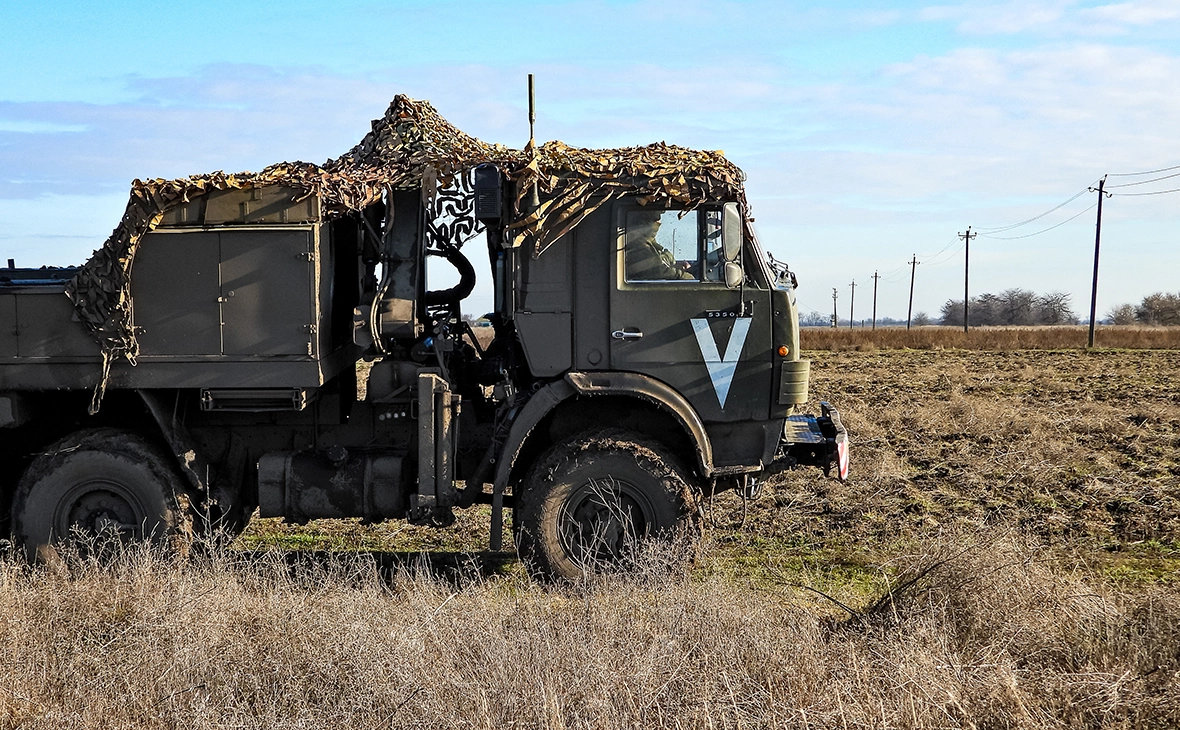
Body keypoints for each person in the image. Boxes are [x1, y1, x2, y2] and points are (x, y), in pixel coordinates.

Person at [625, 212, 695, 281]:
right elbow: (657, 272)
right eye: (655, 219)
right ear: (643, 222)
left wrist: (673, 266)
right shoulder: (636, 244)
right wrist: (688, 278)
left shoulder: (649, 243)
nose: (659, 222)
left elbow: (658, 264)